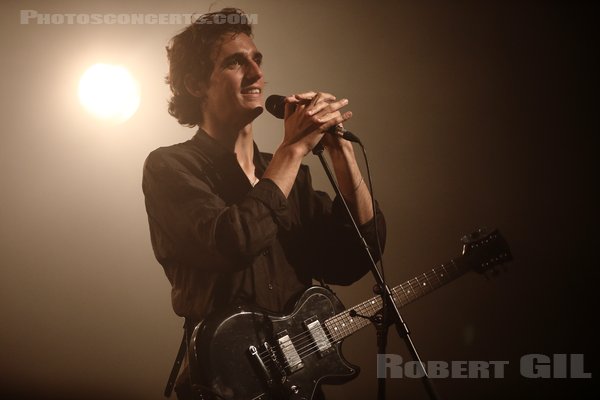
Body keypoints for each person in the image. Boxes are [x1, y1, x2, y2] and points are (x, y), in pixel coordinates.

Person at [142, 8, 386, 400]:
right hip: (221, 382)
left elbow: (355, 259)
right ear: (194, 83)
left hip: (297, 384)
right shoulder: (170, 166)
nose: (256, 74)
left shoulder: (294, 176)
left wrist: (342, 155)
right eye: (236, 63)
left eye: (257, 59)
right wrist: (292, 150)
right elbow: (231, 242)